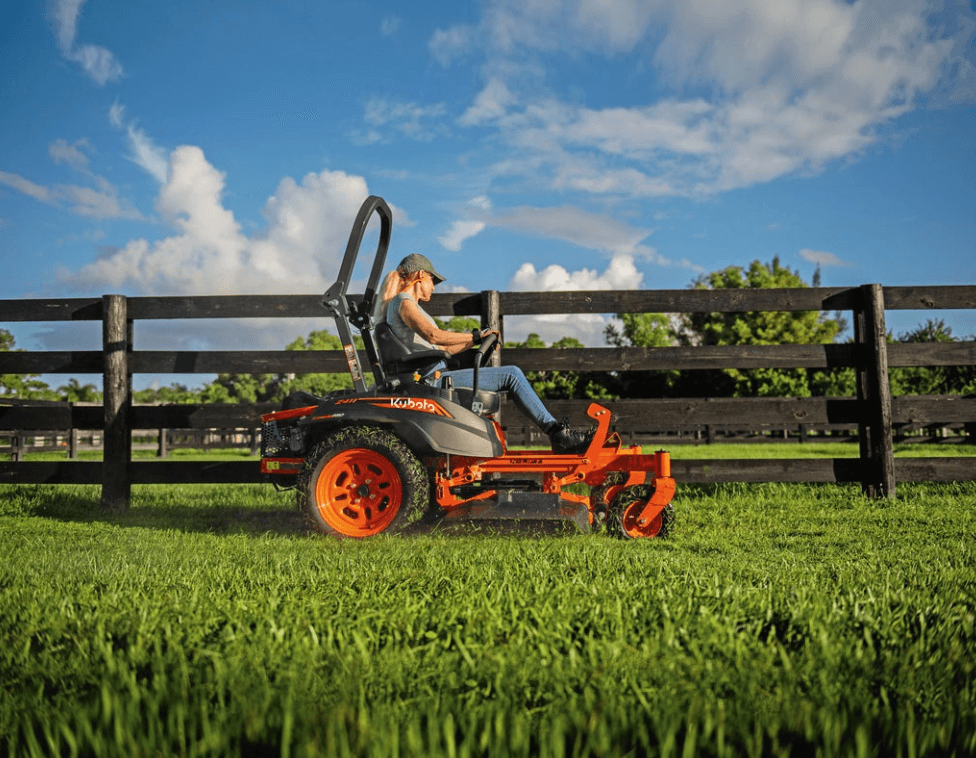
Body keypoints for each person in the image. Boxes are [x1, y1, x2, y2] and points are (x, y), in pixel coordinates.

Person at [379, 253, 594, 454]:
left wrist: (479, 341)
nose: (434, 287)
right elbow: (434, 336)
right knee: (512, 375)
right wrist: (474, 337)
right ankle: (558, 435)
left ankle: (556, 433)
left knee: (510, 375)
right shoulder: (403, 302)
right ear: (420, 275)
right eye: (432, 281)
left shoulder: (406, 304)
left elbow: (444, 348)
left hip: (434, 376)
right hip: (432, 380)